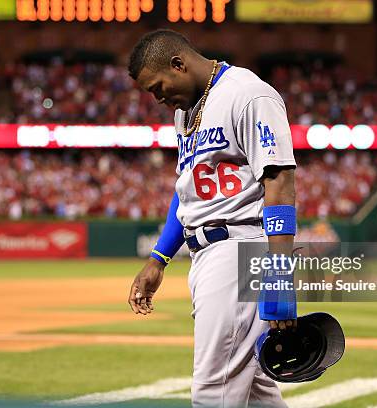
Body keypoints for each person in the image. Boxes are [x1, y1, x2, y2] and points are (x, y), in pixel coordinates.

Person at [127, 29, 297, 408]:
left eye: (157, 87)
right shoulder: (184, 112)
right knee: (256, 395)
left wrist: (279, 272)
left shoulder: (247, 93)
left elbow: (279, 179)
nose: (157, 98)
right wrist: (159, 257)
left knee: (213, 390)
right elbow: (188, 186)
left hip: (239, 250)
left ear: (179, 64)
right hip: (206, 253)